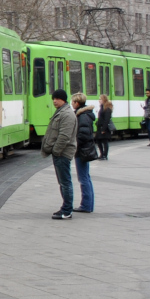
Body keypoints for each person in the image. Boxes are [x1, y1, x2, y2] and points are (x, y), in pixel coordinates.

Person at [42, 89, 78, 220]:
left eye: (57, 98)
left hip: (63, 153)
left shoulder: (67, 114)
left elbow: (64, 136)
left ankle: (67, 210)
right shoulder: (61, 112)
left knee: (65, 182)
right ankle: (65, 208)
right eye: (53, 98)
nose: (54, 101)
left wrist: (56, 150)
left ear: (63, 99)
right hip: (60, 153)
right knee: (63, 182)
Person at [72, 93, 96, 213]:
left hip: (82, 151)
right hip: (85, 150)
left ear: (77, 103)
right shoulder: (86, 115)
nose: (72, 104)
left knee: (83, 178)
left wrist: (75, 145)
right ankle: (89, 204)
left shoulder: (82, 116)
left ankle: (86, 205)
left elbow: (83, 134)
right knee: (86, 177)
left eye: (73, 102)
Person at [95, 93, 114, 160]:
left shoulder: (107, 108)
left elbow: (107, 119)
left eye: (100, 99)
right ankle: (102, 154)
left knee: (104, 141)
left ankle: (105, 155)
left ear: (104, 100)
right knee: (98, 141)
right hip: (100, 126)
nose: (99, 100)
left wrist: (103, 129)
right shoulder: (102, 107)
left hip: (104, 128)